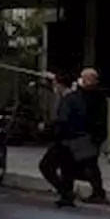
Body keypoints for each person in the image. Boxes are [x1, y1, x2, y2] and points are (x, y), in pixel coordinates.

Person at [51, 68, 110, 206]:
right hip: (87, 136)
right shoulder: (94, 95)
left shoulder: (90, 96)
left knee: (84, 166)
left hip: (85, 136)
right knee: (80, 165)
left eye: (86, 79)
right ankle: (87, 193)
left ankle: (94, 193)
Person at [38, 72, 76, 206]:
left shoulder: (67, 100)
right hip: (72, 140)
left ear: (60, 85)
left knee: (46, 166)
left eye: (55, 85)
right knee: (67, 169)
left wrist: (48, 127)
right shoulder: (73, 97)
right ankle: (67, 196)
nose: (54, 87)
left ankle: (65, 192)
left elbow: (62, 120)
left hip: (64, 140)